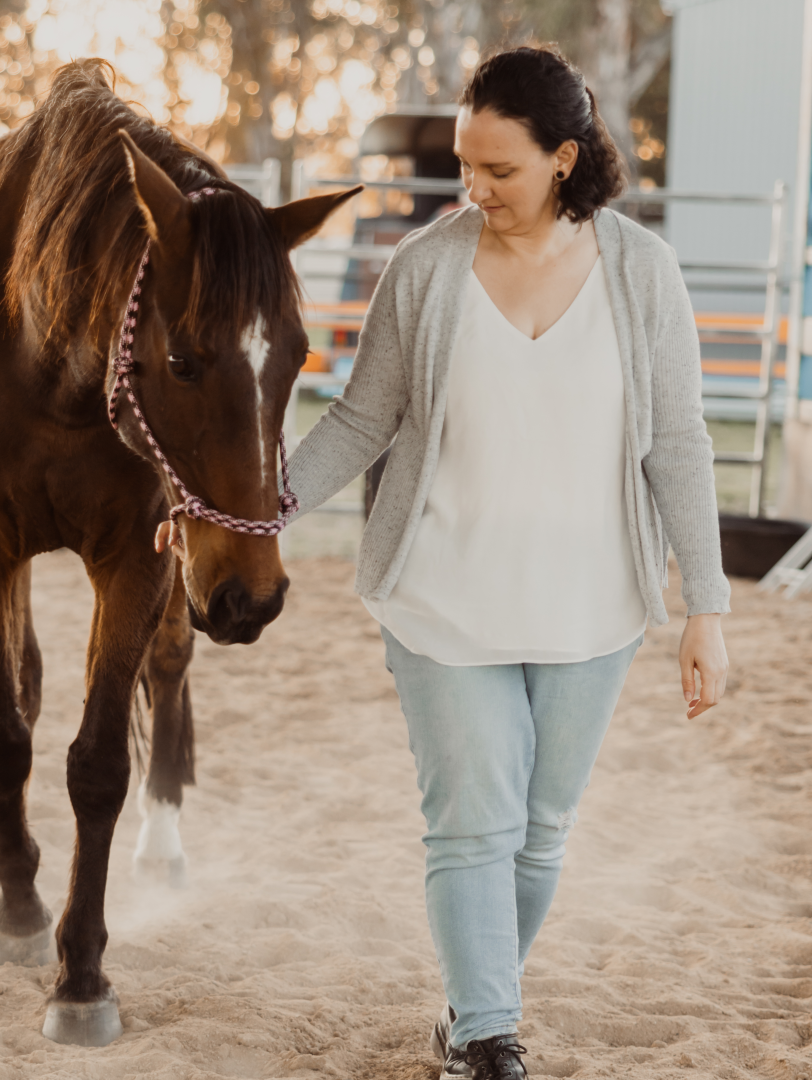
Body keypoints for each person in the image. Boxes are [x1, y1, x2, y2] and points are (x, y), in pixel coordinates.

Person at [280, 47, 730, 1080]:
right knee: (471, 825)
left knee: (537, 834)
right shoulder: (427, 269)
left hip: (594, 603)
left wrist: (707, 606)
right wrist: (259, 512)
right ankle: (488, 1041)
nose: (472, 190)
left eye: (498, 170)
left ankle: (473, 1003)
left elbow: (679, 443)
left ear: (565, 158)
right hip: (443, 597)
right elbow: (359, 421)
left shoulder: (643, 273)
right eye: (462, 166)